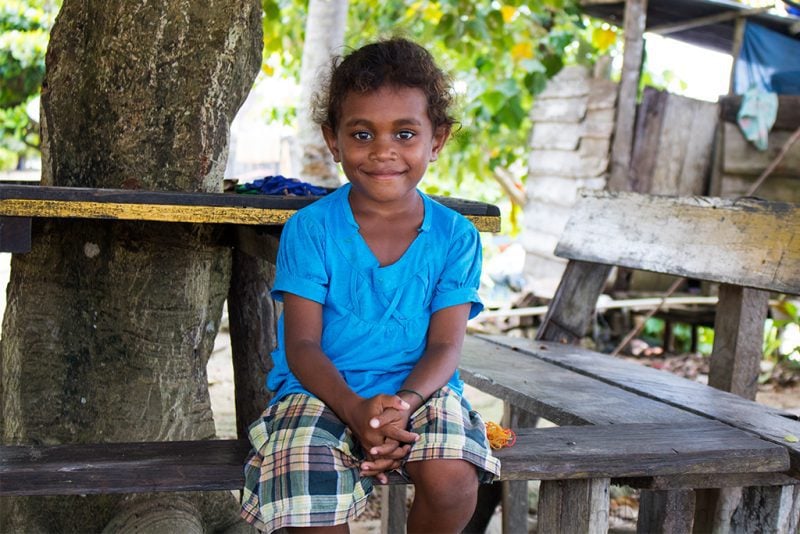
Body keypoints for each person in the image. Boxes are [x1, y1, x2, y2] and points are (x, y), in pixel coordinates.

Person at [240, 37, 501, 533]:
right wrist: (357, 411)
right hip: (320, 391)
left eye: (405, 134)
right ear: (333, 140)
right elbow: (302, 345)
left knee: (452, 480)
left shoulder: (456, 236)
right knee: (304, 487)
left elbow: (447, 345)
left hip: (422, 391)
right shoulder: (311, 229)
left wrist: (401, 406)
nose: (384, 151)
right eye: (362, 135)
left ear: (437, 139)